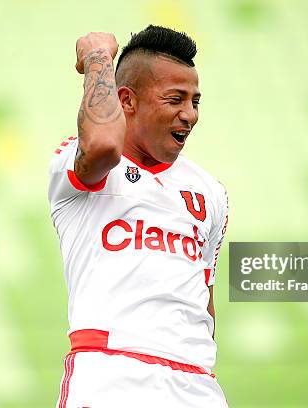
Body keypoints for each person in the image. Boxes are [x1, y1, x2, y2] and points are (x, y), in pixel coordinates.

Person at [48, 25, 229, 407]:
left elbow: (204, 306)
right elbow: (102, 145)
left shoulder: (210, 192)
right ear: (126, 100)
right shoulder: (79, 161)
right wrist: (99, 57)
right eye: (175, 99)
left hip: (197, 385)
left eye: (195, 101)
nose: (190, 115)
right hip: (112, 374)